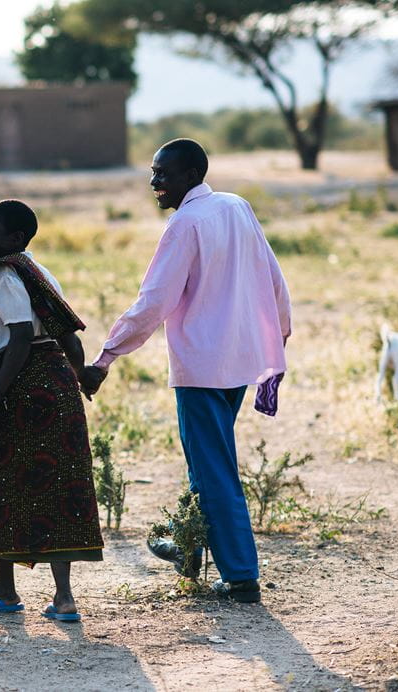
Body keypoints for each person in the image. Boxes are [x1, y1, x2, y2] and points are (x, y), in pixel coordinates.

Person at [80, 139, 291, 604]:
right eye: (152, 174)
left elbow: (154, 301)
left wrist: (105, 358)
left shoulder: (186, 224)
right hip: (238, 360)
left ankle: (240, 576)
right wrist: (280, 330)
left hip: (202, 366)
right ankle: (190, 547)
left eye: (164, 174)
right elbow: (273, 275)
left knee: (214, 469)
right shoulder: (236, 206)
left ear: (193, 173)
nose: (155, 183)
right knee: (206, 461)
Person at [0, 199, 102, 622]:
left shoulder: (6, 273)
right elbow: (67, 334)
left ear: (15, 238)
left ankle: (3, 590)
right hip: (57, 385)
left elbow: (17, 339)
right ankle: (64, 599)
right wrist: (80, 376)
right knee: (59, 484)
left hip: (20, 387)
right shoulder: (39, 271)